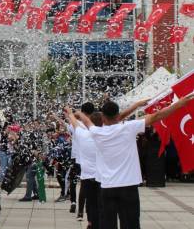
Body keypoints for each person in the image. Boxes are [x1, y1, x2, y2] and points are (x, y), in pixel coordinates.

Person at [77, 93, 194, 229]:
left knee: (107, 224)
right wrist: (179, 104)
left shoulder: (96, 132)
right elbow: (157, 116)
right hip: (128, 186)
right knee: (130, 223)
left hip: (107, 187)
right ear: (117, 115)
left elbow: (87, 122)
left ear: (103, 117)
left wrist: (78, 114)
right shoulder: (129, 128)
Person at [65, 106, 103, 229]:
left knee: (91, 203)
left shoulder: (83, 135)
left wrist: (70, 113)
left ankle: (91, 222)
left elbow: (74, 122)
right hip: (103, 178)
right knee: (102, 203)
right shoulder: (107, 135)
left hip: (88, 177)